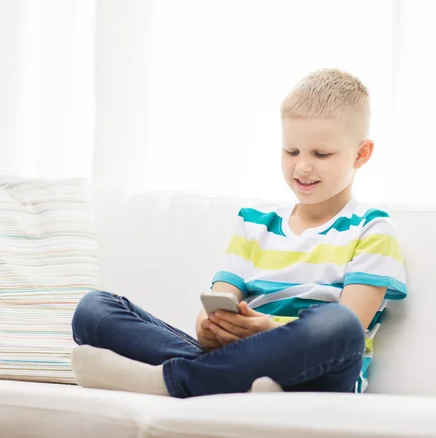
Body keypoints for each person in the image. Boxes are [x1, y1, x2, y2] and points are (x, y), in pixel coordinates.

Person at [71, 68, 407, 398]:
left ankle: (174, 380)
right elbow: (218, 302)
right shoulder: (254, 223)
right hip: (244, 358)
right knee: (94, 310)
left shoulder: (372, 229)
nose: (302, 166)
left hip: (319, 376)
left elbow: (354, 325)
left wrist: (268, 331)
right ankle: (234, 381)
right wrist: (211, 328)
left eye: (321, 154)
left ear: (361, 154)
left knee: (340, 325)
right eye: (291, 151)